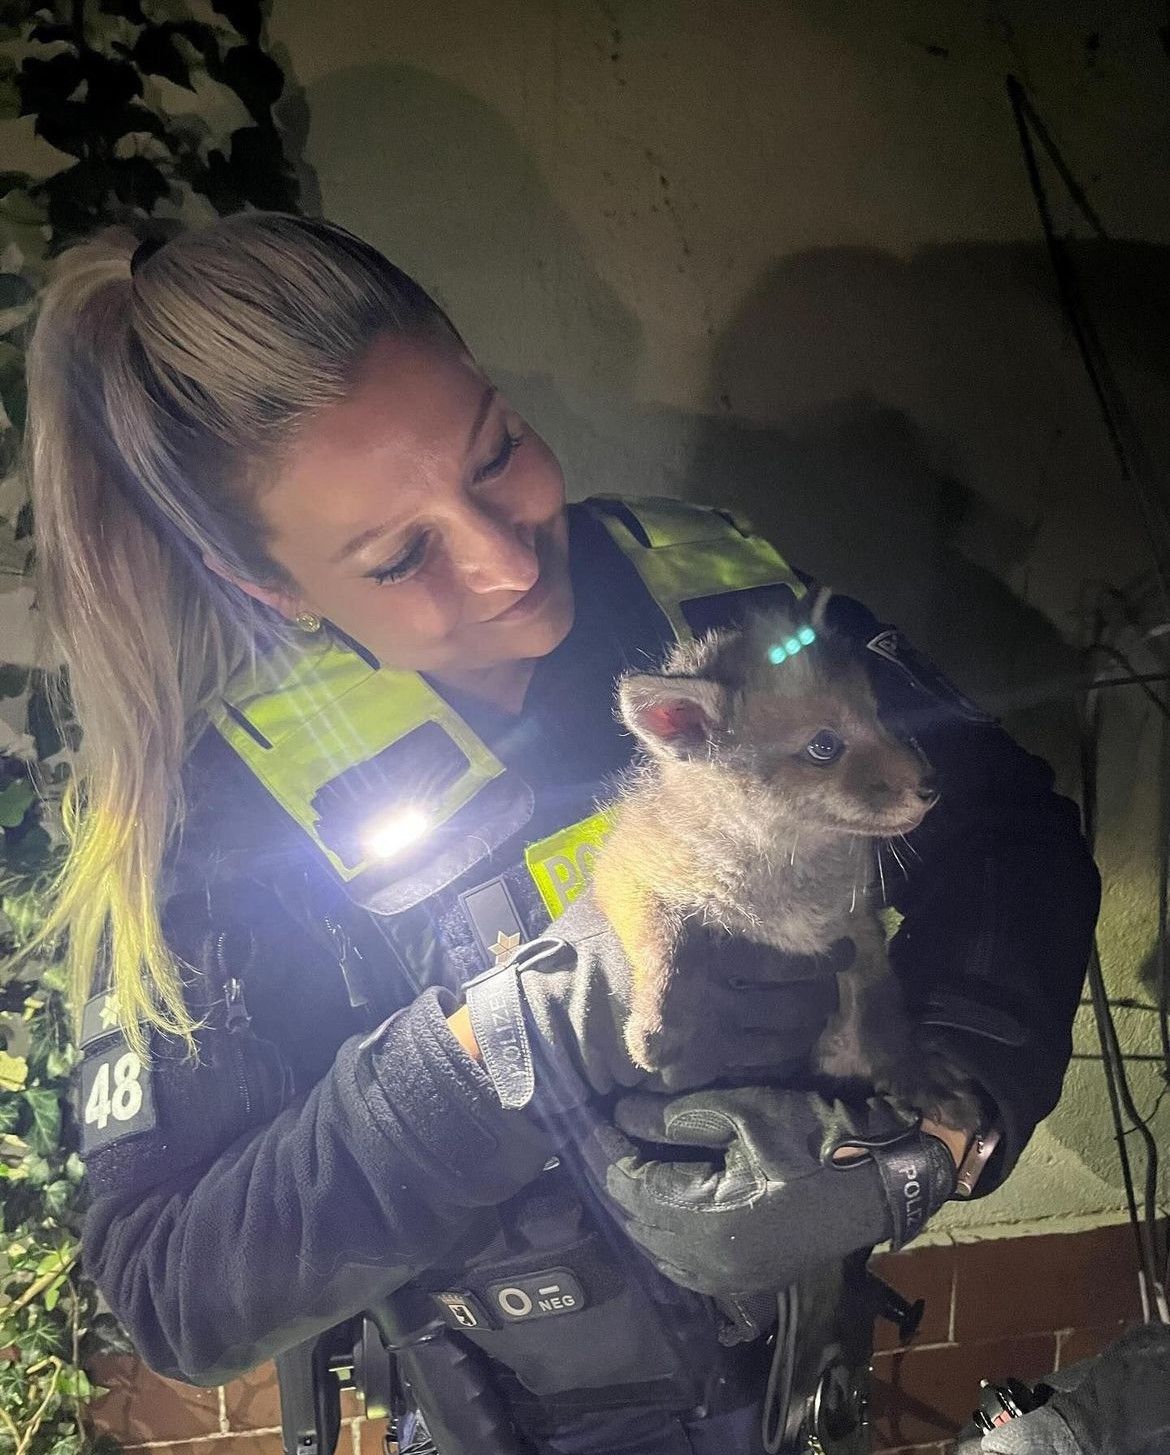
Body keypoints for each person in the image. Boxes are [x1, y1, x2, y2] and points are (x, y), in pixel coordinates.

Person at [24, 213, 1100, 1455]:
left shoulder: (725, 603)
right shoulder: (227, 804)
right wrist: (507, 1047)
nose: (500, 563)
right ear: (269, 585)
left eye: (496, 454)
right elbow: (173, 1286)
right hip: (529, 1413)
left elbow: (1008, 830)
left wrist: (950, 1107)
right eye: (399, 555)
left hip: (811, 1378)